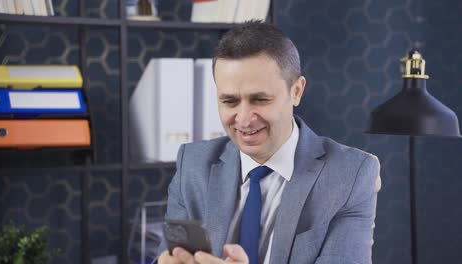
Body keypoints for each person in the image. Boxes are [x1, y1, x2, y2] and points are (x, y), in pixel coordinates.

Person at [157, 20, 381, 264]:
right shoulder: (192, 163)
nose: (243, 119)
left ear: (296, 91)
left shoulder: (350, 175)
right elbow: (166, 256)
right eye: (229, 102)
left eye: (260, 100)